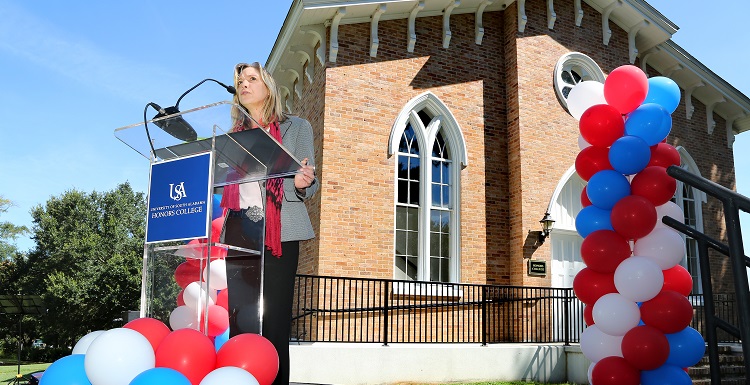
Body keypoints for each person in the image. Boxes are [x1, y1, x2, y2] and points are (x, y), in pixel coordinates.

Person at [220, 61, 317, 385]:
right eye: (239, 81)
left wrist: (301, 182)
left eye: (251, 78)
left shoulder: (296, 127)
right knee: (241, 317)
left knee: (274, 321)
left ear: (268, 87)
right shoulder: (233, 137)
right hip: (239, 228)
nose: (244, 84)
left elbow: (308, 178)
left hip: (279, 228)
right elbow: (220, 180)